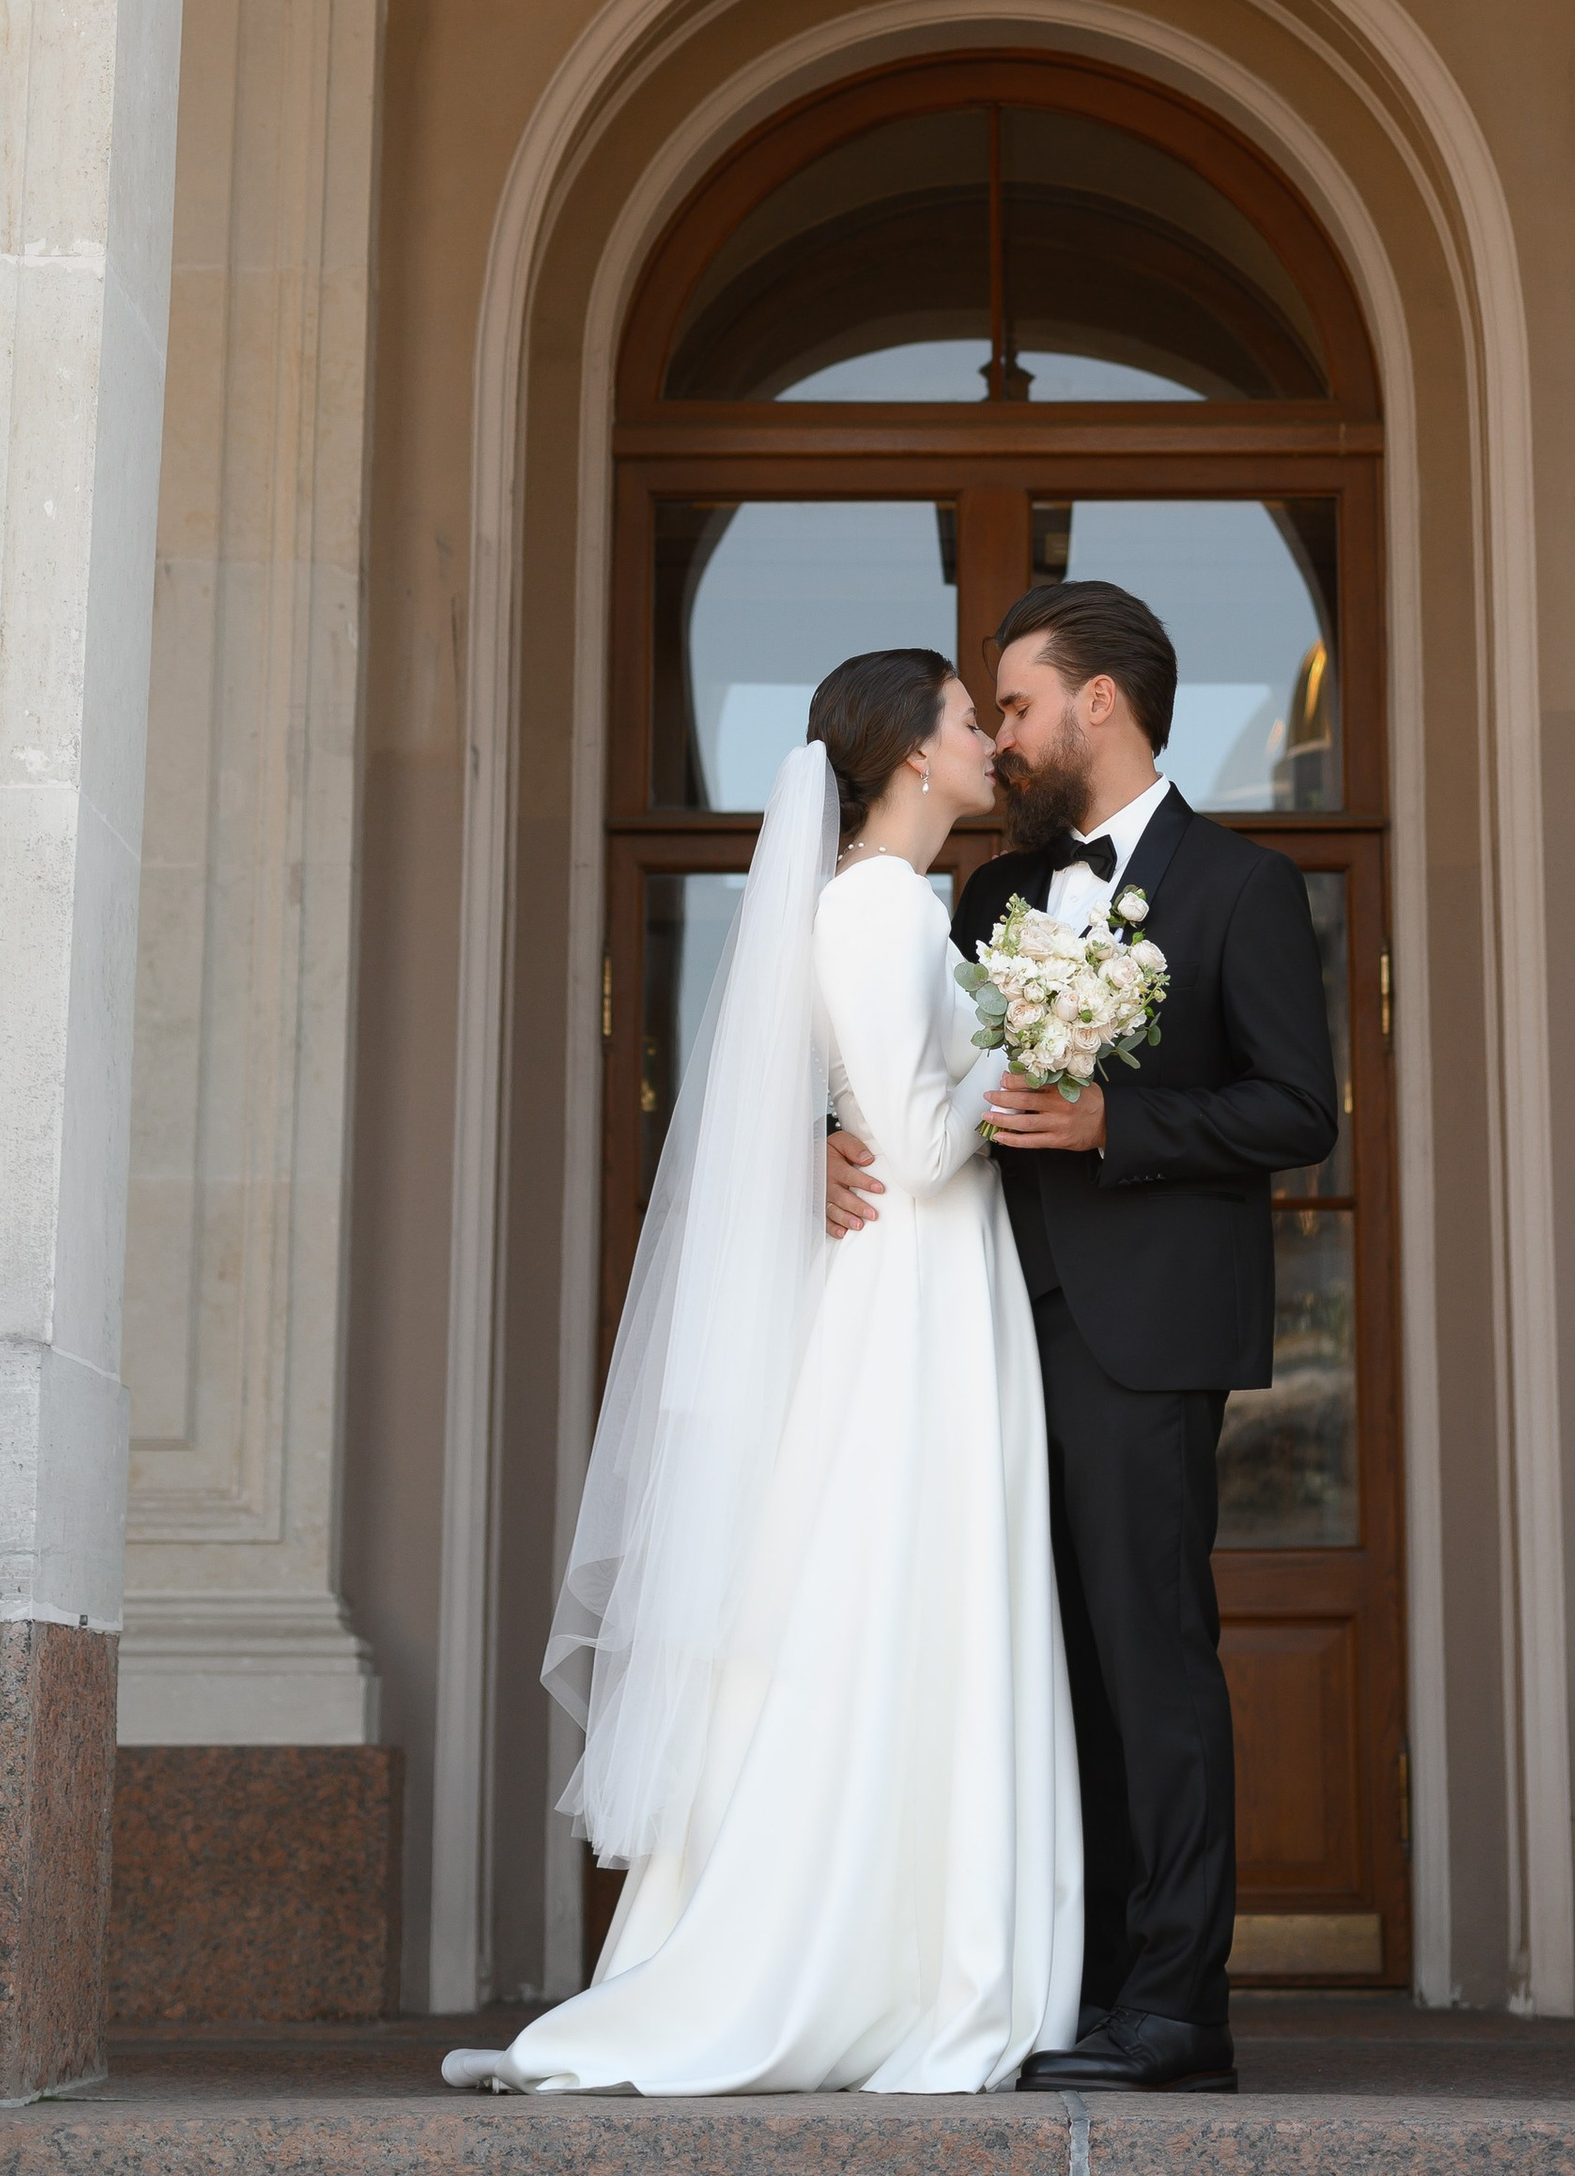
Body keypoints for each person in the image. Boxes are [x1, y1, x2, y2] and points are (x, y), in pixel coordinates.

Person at [442, 652, 1080, 2096]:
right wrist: (1039, 1034)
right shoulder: (872, 906)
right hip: (909, 1290)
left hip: (931, 1285)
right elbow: (917, 1148)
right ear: (912, 754)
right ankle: (866, 1959)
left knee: (903, 1596)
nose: (988, 740)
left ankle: (913, 1948)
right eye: (969, 721)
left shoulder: (885, 905)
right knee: (887, 1593)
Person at [826, 580, 1338, 2096]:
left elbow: (1298, 1111)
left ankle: (1174, 2006)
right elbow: (907, 1067)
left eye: (1024, 705)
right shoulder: (986, 899)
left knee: (1150, 1660)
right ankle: (1071, 1985)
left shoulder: (1243, 887)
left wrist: (1122, 1119)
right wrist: (823, 1136)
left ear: (1099, 702)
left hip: (1144, 1337)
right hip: (978, 1331)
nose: (1007, 733)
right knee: (1028, 1670)